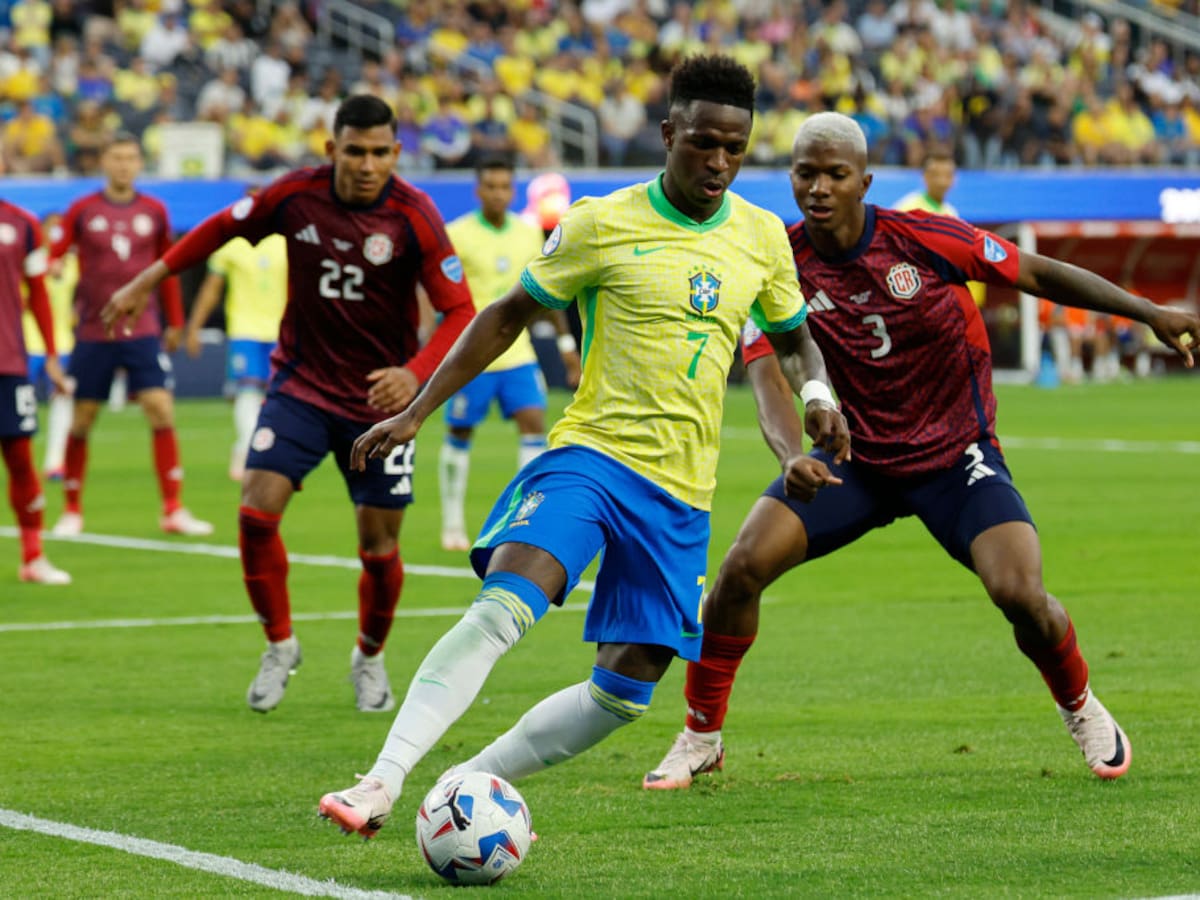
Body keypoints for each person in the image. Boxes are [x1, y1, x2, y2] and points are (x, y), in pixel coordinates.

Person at [316, 54, 850, 839]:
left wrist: (815, 402)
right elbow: (503, 316)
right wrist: (418, 411)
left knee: (625, 691)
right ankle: (380, 782)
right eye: (704, 142)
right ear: (669, 133)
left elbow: (792, 344)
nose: (720, 162)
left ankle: (466, 786)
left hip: (681, 495)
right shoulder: (602, 222)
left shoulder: (761, 237)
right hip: (592, 458)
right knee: (506, 602)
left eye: (735, 148)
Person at [642, 112, 1200, 791]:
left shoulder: (924, 238)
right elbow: (764, 369)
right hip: (855, 460)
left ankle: (1080, 705)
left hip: (954, 455)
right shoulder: (778, 262)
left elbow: (1037, 274)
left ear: (864, 181)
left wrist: (1151, 312)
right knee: (739, 570)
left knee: (1020, 592)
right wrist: (790, 452)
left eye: (835, 175)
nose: (818, 188)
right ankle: (701, 735)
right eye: (805, 174)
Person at [101, 95, 476, 714]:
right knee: (255, 507)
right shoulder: (294, 195)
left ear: (396, 154)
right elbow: (222, 227)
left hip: (378, 404)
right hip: (300, 385)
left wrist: (413, 375)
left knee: (378, 545)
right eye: (354, 151)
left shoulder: (416, 214)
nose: (366, 164)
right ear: (332, 149)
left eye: (379, 153)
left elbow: (460, 309)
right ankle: (280, 644)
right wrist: (148, 279)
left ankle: (371, 656)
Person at [48, 132, 213, 538]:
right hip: (93, 330)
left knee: (160, 408)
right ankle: (72, 509)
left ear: (140, 163)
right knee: (83, 419)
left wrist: (174, 321)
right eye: (116, 157)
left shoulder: (154, 211)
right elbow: (58, 248)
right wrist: (53, 263)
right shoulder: (83, 209)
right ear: (103, 161)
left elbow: (168, 268)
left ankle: (173, 508)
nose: (124, 165)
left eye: (131, 158)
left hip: (142, 330)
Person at [438, 157, 582, 551]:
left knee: (534, 424)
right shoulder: (458, 235)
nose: (499, 193)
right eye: (491, 186)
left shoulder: (528, 233)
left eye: (505, 186)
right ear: (478, 190)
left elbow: (546, 293)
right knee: (460, 432)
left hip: (518, 353)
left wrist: (567, 346)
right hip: (473, 354)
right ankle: (452, 522)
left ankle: (518, 519)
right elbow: (440, 292)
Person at [1, 198, 72, 585]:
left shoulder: (23, 223)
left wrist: (51, 354)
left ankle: (33, 556)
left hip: (8, 360)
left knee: (20, 458)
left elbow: (38, 292)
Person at [183, 225, 287, 481]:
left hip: (281, 331)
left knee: (279, 396)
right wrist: (194, 326)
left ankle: (269, 450)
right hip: (245, 330)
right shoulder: (232, 245)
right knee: (248, 391)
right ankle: (247, 451)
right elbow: (212, 288)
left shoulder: (286, 243)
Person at [21, 211, 76, 480]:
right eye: (50, 227)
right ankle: (23, 460)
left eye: (60, 228)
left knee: (62, 399)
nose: (55, 232)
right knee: (21, 403)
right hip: (27, 342)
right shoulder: (27, 259)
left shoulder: (73, 263)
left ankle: (55, 461)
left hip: (62, 343)